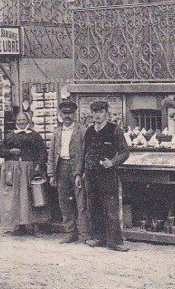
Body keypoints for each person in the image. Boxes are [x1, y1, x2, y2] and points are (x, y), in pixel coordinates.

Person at [81, 100, 130, 252]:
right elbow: (84, 153)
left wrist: (113, 162)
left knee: (110, 207)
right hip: (90, 174)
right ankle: (98, 237)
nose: (97, 115)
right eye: (95, 112)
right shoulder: (89, 131)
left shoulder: (114, 130)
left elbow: (125, 152)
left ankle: (115, 242)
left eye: (101, 112)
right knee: (93, 206)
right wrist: (80, 173)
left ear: (106, 113)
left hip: (107, 174)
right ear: (92, 114)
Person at [0, 110, 49, 235]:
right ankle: (19, 226)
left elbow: (42, 152)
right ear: (16, 122)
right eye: (19, 120)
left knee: (31, 197)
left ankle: (35, 226)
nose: (21, 122)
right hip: (13, 171)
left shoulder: (34, 135)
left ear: (28, 121)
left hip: (29, 170)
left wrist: (38, 166)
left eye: (23, 120)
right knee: (15, 197)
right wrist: (10, 152)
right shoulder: (9, 135)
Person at [48, 99, 88, 244]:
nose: (67, 116)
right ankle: (70, 232)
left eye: (70, 113)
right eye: (64, 113)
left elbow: (85, 153)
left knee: (81, 202)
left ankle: (84, 234)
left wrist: (80, 172)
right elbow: (52, 153)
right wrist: (51, 173)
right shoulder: (57, 132)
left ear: (74, 114)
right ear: (60, 114)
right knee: (64, 202)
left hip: (76, 169)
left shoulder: (82, 130)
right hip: (61, 168)